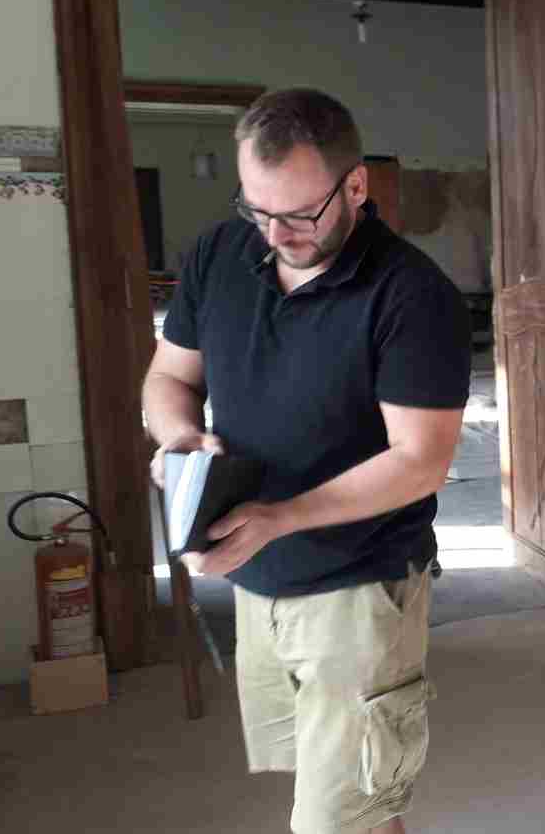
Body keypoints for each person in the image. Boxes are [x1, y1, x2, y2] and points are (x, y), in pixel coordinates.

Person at [142, 88, 471, 834]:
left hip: (358, 586)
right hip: (258, 578)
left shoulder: (412, 295)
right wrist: (179, 437)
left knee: (334, 817)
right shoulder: (219, 255)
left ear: (355, 186)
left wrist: (281, 517)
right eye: (256, 209)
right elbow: (169, 378)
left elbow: (421, 461)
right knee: (353, 804)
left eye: (297, 214)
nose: (274, 233)